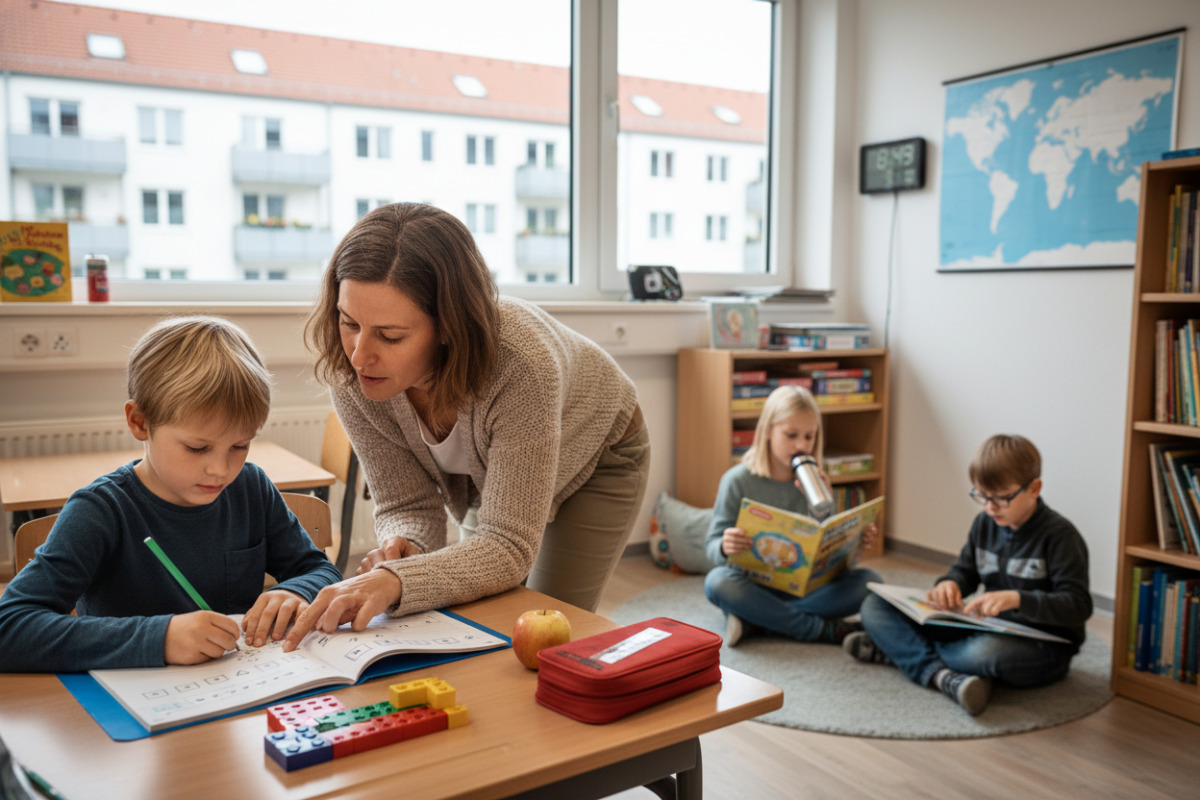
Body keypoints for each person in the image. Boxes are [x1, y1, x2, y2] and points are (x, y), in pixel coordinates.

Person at [282, 202, 649, 651]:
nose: (359, 355)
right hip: (490, 472)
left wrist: (396, 580)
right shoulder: (355, 374)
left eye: (391, 335)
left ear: (449, 327)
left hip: (600, 453)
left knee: (543, 636)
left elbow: (507, 547)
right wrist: (405, 546)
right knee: (479, 619)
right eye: (348, 322)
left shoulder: (521, 366)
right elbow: (407, 503)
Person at [0, 316, 342, 672]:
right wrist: (159, 637)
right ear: (140, 422)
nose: (220, 469)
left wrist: (295, 591)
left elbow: (320, 570)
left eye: (240, 445)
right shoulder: (101, 511)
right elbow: (9, 628)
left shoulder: (250, 488)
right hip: (130, 709)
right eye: (197, 448)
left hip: (238, 694)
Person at [844, 434, 1092, 716]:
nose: (989, 507)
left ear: (1034, 488)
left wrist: (1017, 599)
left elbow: (1078, 606)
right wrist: (950, 584)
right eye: (982, 496)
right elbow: (966, 571)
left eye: (1001, 498)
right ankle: (942, 674)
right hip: (986, 625)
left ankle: (898, 653)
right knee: (874, 605)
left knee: (983, 655)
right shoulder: (985, 523)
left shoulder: (1060, 536)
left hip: (1042, 646)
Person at [704, 385, 880, 647]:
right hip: (757, 585)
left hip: (807, 589)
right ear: (767, 432)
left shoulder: (815, 482)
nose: (801, 445)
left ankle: (757, 621)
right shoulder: (737, 481)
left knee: (871, 582)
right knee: (717, 583)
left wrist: (853, 540)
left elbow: (826, 550)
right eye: (791, 435)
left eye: (809, 437)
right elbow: (712, 545)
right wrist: (724, 545)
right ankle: (820, 630)